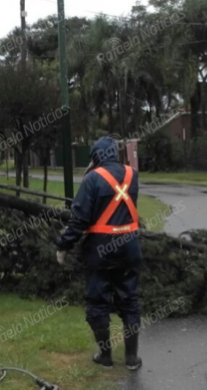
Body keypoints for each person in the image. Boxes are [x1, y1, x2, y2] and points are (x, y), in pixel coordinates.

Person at [56, 137, 142, 371]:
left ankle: (105, 356)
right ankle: (132, 358)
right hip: (129, 248)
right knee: (130, 302)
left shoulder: (92, 179)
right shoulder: (132, 175)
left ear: (94, 157)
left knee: (97, 303)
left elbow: (79, 220)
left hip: (100, 252)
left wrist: (64, 245)